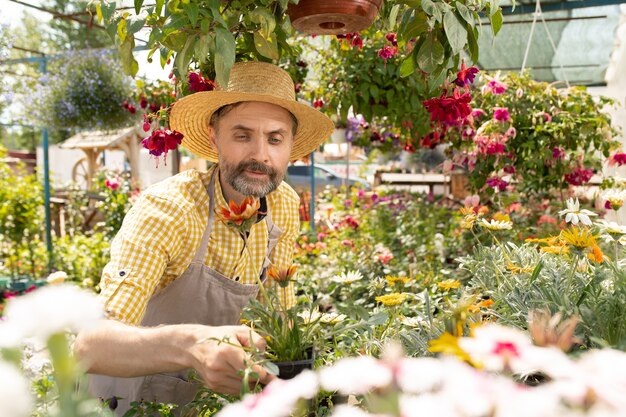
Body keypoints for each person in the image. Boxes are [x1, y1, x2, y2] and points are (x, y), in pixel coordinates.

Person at [74, 61, 334, 416]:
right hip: (130, 400)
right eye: (242, 135)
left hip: (211, 402)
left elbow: (278, 313)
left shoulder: (283, 204)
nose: (261, 155)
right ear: (214, 137)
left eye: (275, 139)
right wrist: (192, 345)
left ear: (291, 146)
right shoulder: (171, 211)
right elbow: (91, 346)